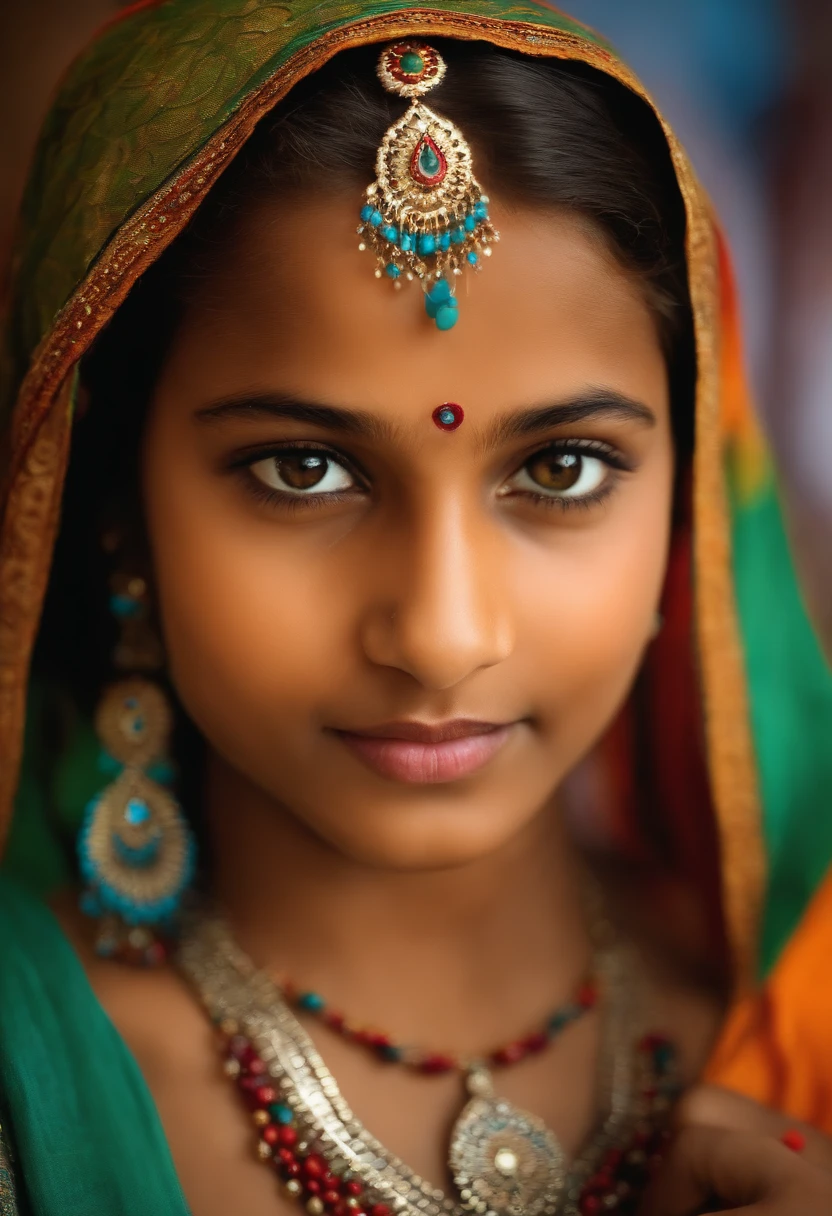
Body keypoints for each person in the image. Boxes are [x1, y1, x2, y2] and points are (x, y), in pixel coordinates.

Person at [1, 2, 832, 1214]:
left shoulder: (792, 1028)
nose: (442, 633)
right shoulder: (29, 1101)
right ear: (115, 500)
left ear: (688, 514)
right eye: (303, 469)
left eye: (560, 470)